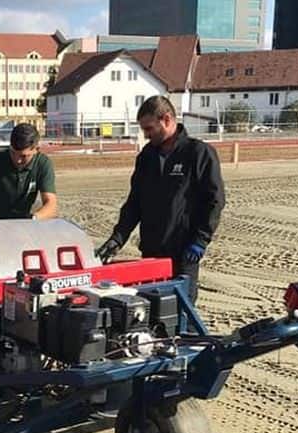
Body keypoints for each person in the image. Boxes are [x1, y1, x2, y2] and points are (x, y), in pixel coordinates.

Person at [95, 96, 225, 302]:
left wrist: (200, 240)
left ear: (166, 119)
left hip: (184, 253)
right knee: (152, 309)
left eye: (149, 129)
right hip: (152, 251)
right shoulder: (146, 157)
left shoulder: (198, 153)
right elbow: (134, 203)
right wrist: (117, 238)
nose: (146, 135)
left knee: (182, 311)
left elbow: (215, 201)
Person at [0, 123, 57, 220]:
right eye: (13, 153)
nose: (18, 160)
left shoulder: (42, 164)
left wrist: (34, 218)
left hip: (23, 221)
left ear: (36, 149)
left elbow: (51, 203)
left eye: (24, 156)